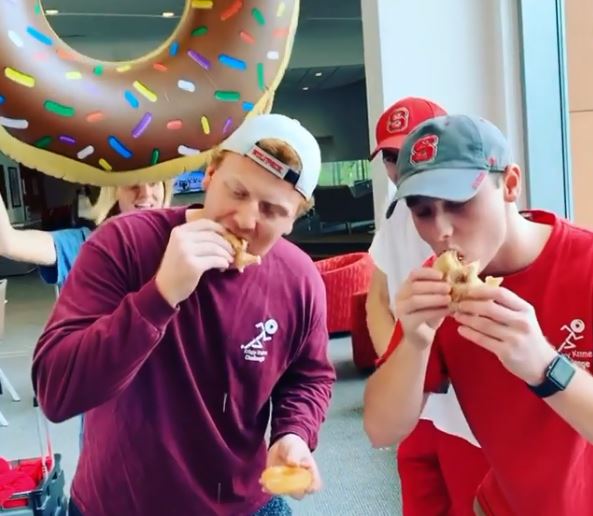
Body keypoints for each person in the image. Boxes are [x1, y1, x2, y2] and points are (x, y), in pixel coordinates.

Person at [32, 113, 336, 516]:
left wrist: (293, 431)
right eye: (237, 191)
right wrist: (161, 294)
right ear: (210, 173)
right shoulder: (123, 243)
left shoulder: (299, 279)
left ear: (294, 219)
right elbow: (56, 392)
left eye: (271, 210)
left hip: (244, 504)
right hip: (119, 504)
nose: (245, 220)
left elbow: (308, 375)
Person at [364, 114, 593, 515]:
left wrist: (546, 366)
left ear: (510, 184)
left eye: (458, 203)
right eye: (423, 211)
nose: (441, 231)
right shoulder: (435, 290)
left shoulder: (585, 264)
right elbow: (381, 430)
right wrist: (415, 342)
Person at [365, 98, 488, 515]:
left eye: (413, 152)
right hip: (419, 411)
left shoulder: (477, 225)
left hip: (467, 414)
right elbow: (378, 299)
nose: (402, 166)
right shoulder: (396, 216)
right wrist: (402, 367)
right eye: (391, 157)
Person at [0, 181, 172, 288]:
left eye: (154, 182)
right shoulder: (90, 245)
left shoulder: (180, 237)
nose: (146, 193)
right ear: (114, 192)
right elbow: (8, 242)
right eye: (133, 184)